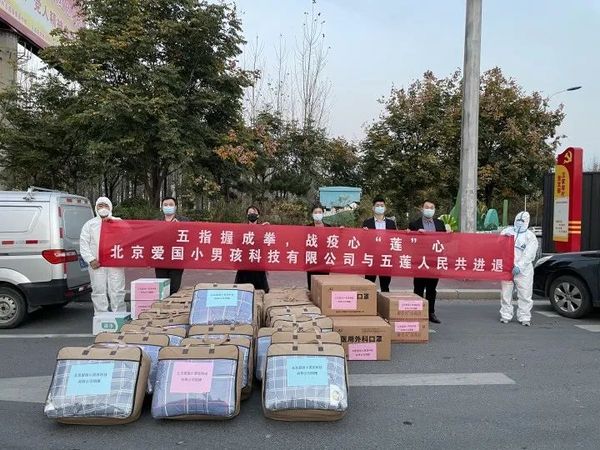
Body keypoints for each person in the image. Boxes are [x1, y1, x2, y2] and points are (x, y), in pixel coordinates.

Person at [80, 197, 126, 313]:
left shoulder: (118, 222)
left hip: (115, 263)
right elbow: (84, 244)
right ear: (96, 208)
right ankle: (101, 317)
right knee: (98, 290)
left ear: (110, 207)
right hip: (97, 264)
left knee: (117, 290)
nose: (103, 208)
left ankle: (119, 316)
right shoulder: (90, 225)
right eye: (100, 205)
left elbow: (129, 237)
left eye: (106, 205)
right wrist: (90, 260)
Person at [409, 201, 446, 324]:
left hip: (434, 260)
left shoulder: (440, 224)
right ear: (422, 209)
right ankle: (417, 311)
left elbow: (445, 241)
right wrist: (415, 234)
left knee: (432, 288)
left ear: (434, 210)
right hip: (420, 261)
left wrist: (449, 234)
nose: (429, 209)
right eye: (427, 207)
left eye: (431, 207)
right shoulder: (414, 224)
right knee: (418, 287)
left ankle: (431, 312)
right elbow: (408, 241)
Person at [499, 211, 538, 326]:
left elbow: (529, 254)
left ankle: (524, 316)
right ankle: (506, 315)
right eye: (518, 220)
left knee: (525, 293)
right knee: (506, 293)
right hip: (507, 268)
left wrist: (519, 266)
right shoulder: (507, 231)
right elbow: (497, 246)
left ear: (527, 222)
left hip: (523, 270)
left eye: (522, 221)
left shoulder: (530, 236)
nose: (520, 223)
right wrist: (502, 239)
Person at [362, 196, 397, 292]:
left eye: (382, 205)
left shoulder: (391, 223)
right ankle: (369, 301)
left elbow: (395, 238)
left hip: (386, 257)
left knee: (385, 286)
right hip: (371, 257)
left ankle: (385, 301)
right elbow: (363, 240)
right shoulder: (367, 223)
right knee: (369, 284)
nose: (380, 207)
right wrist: (363, 233)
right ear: (373, 208)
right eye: (377, 205)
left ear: (385, 208)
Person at [155, 196, 188, 295]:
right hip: (160, 257)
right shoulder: (156, 222)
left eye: (170, 205)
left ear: (175, 207)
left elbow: (190, 236)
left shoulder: (184, 221)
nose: (168, 207)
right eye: (165, 205)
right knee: (161, 286)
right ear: (162, 207)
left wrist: (180, 226)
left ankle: (171, 303)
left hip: (177, 258)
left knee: (174, 286)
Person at [234, 206, 270, 293]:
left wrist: (268, 229)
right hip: (245, 262)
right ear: (247, 215)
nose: (252, 215)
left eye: (254, 213)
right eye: (250, 213)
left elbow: (268, 243)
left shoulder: (263, 228)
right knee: (242, 289)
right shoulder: (242, 229)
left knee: (261, 290)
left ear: (258, 215)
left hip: (258, 261)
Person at [307, 204, 331, 289]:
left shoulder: (329, 227)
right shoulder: (307, 228)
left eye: (320, 212)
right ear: (312, 214)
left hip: (324, 259)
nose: (318, 214)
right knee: (312, 285)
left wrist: (342, 231)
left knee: (324, 285)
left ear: (323, 214)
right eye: (315, 212)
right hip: (312, 259)